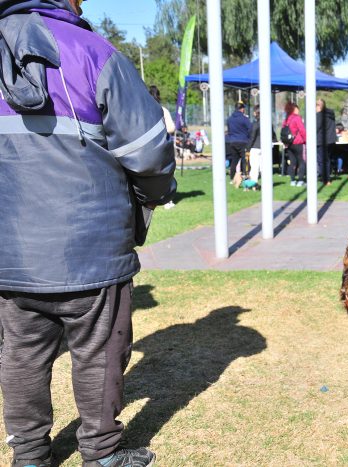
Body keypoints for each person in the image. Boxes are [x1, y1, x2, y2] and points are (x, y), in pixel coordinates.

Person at [0, 1, 176, 466]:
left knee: (21, 356)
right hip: (92, 245)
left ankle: (30, 455)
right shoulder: (94, 52)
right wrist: (155, 194)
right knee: (99, 352)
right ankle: (100, 454)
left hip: (11, 253)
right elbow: (149, 148)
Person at [247, 104, 277, 187]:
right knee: (264, 167)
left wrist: (248, 148)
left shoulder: (256, 124)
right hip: (265, 147)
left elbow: (252, 136)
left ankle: (254, 183)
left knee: (254, 167)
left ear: (256, 113)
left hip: (255, 147)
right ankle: (267, 183)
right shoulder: (268, 123)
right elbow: (272, 135)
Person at [225, 102, 252, 184]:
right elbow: (250, 129)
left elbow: (229, 130)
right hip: (243, 141)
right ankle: (245, 176)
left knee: (234, 160)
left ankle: (232, 178)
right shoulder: (244, 119)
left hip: (232, 141)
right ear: (242, 109)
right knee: (245, 160)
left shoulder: (229, 119)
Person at [282, 101, 306, 186]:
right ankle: (300, 180)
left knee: (292, 162)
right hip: (298, 142)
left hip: (289, 144)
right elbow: (302, 130)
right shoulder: (297, 118)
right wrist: (307, 140)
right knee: (302, 161)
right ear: (295, 109)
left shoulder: (286, 119)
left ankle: (292, 180)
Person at [316, 98, 337, 186]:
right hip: (331, 141)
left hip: (321, 141)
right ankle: (326, 178)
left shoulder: (319, 116)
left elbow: (316, 127)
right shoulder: (330, 114)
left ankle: (326, 179)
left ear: (319, 106)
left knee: (322, 161)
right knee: (327, 160)